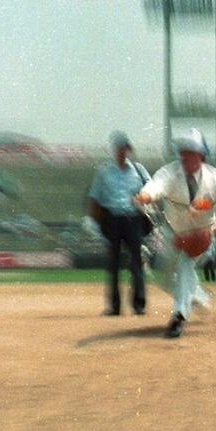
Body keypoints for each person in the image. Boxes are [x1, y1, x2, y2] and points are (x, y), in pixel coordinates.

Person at [136, 128, 216, 338]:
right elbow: (156, 185)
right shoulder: (170, 173)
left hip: (203, 237)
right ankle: (198, 296)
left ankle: (179, 317)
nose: (187, 158)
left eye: (192, 153)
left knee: (184, 264)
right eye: (184, 153)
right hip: (173, 234)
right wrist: (146, 196)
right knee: (160, 277)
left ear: (202, 155)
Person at [88, 131, 150, 316]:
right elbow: (95, 198)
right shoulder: (103, 171)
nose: (123, 151)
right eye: (120, 148)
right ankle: (114, 307)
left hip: (134, 219)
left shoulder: (139, 171)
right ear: (115, 150)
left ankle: (139, 305)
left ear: (129, 149)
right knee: (113, 264)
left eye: (126, 148)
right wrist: (95, 224)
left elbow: (152, 192)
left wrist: (145, 201)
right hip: (112, 220)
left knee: (137, 264)